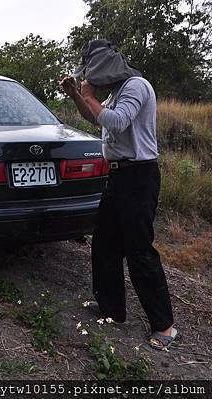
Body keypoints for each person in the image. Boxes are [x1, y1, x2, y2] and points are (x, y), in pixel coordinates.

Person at [60, 40, 177, 350]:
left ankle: (164, 326)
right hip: (118, 175)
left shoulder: (136, 86)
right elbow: (95, 118)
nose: (94, 81)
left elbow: (117, 121)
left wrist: (87, 95)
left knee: (139, 250)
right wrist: (76, 96)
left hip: (139, 176)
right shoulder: (114, 93)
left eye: (94, 75)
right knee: (105, 244)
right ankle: (112, 309)